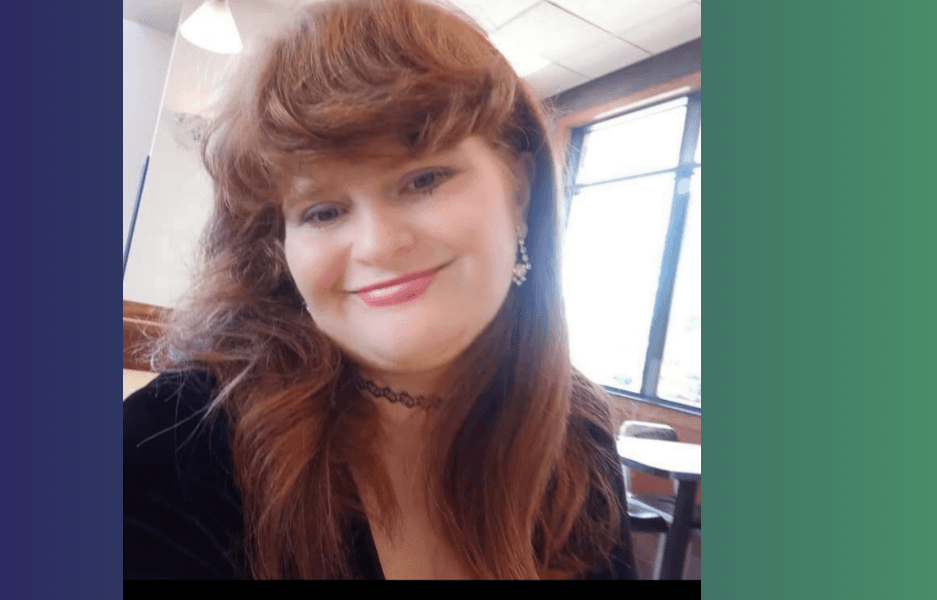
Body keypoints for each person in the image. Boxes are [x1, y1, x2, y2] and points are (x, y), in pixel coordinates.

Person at [124, 0, 637, 580]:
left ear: (518, 190)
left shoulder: (576, 434)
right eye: (322, 211)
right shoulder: (174, 450)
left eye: (423, 179)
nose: (377, 245)